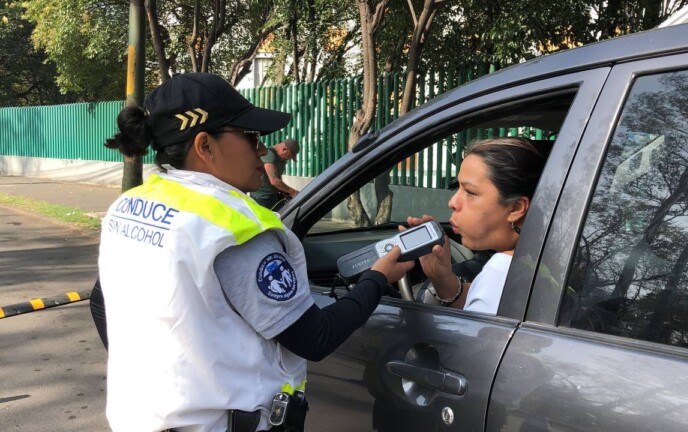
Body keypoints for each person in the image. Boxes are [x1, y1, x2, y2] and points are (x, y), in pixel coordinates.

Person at [97, 73, 413, 432]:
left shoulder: (129, 207)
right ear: (205, 146)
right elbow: (315, 337)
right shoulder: (232, 229)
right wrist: (377, 278)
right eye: (250, 137)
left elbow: (100, 303)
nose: (262, 150)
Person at [406, 137, 546, 314]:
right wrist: (442, 279)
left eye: (470, 192)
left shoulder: (500, 273)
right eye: (457, 188)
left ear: (516, 208)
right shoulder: (545, 262)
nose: (452, 202)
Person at [250, 138, 300, 209]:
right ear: (284, 149)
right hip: (262, 198)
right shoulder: (269, 155)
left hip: (273, 196)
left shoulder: (280, 158)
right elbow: (274, 181)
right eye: (289, 156)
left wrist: (283, 191)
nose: (289, 159)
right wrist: (293, 192)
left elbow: (278, 177)